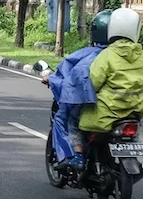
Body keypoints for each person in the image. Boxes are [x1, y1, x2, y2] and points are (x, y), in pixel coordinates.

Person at [78, 7, 143, 154]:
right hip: (135, 112)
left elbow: (92, 84)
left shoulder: (107, 55)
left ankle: (80, 160)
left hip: (106, 114)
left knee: (80, 128)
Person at [46, 10, 112, 166]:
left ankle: (77, 155)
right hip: (128, 108)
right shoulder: (137, 56)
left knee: (68, 121)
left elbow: (71, 80)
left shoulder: (88, 56)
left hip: (95, 104)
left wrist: (52, 79)